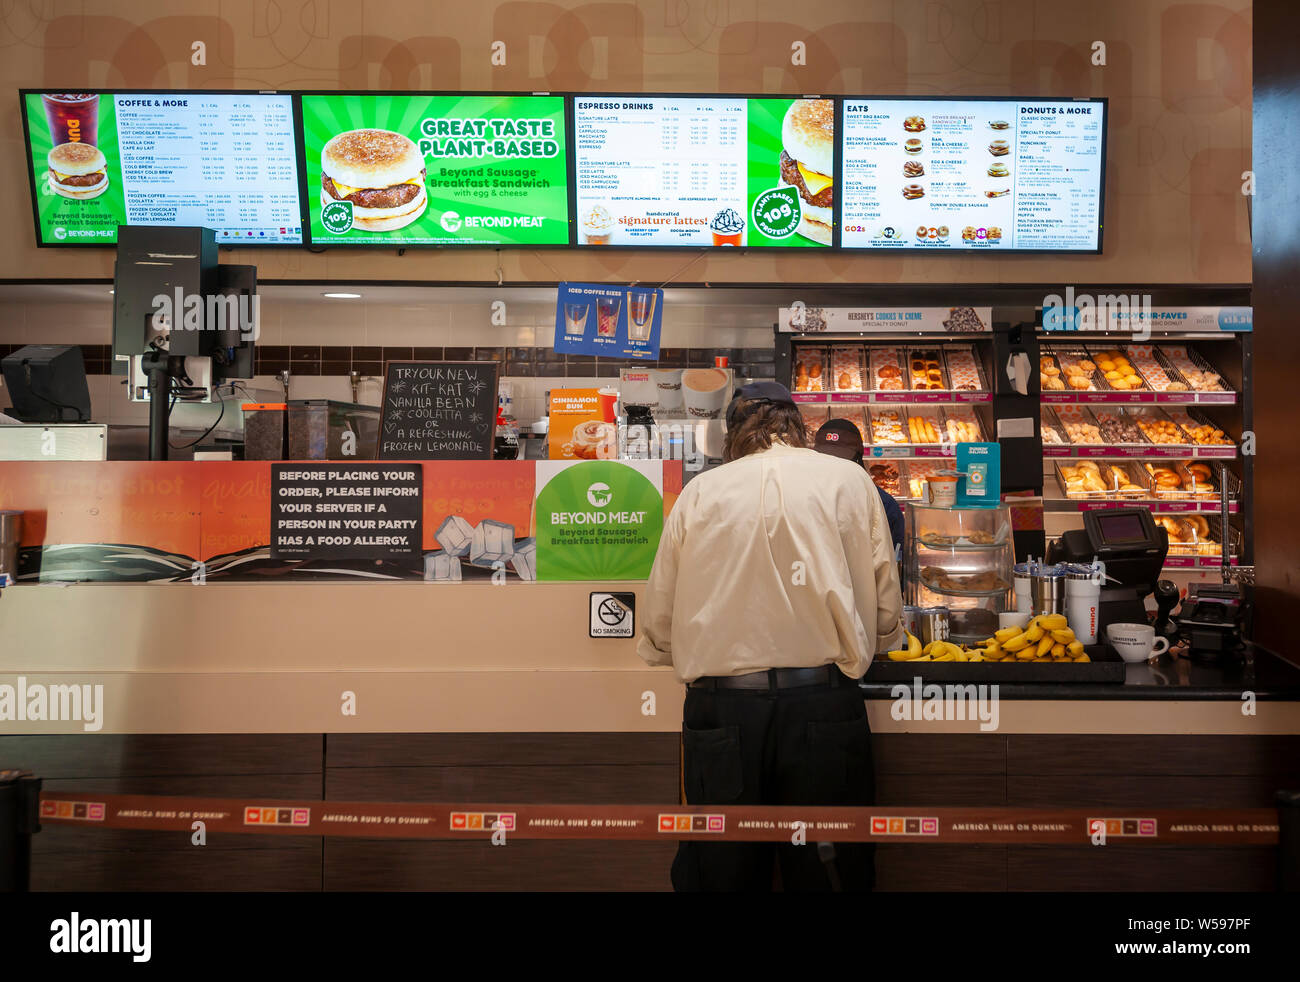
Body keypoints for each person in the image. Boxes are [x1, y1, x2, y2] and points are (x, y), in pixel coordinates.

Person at [637, 381, 904, 891]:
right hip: (824, 706)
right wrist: (880, 638)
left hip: (722, 713)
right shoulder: (848, 480)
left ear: (734, 433)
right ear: (798, 426)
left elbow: (660, 623)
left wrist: (678, 649)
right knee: (831, 872)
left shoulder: (700, 492)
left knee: (721, 873)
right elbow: (885, 601)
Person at [812, 418, 905, 554]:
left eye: (840, 460)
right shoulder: (883, 503)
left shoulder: (884, 505)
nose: (831, 465)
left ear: (858, 460)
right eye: (825, 458)